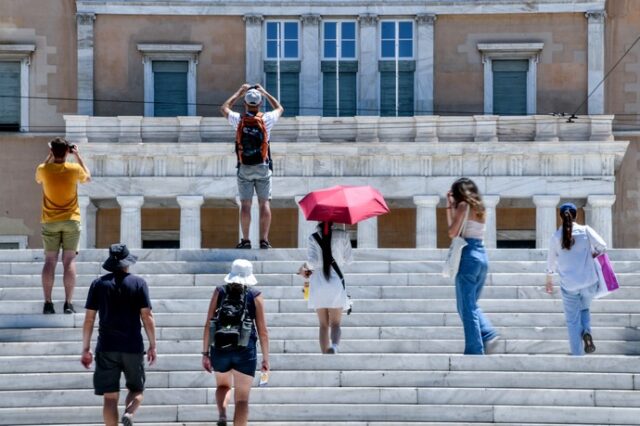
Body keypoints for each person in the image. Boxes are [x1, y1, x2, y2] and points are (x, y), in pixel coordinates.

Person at [80, 244, 157, 426]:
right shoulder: (138, 283)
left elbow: (89, 319)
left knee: (110, 398)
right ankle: (129, 413)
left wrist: (86, 348)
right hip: (132, 346)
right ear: (127, 263)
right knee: (137, 390)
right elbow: (147, 316)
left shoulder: (98, 284)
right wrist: (153, 344)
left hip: (106, 346)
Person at [202, 259, 269, 426]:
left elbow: (209, 322)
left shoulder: (219, 291)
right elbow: (263, 330)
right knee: (242, 399)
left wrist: (205, 353)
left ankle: (223, 415)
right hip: (245, 349)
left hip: (220, 346)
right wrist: (266, 358)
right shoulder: (255, 295)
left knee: (223, 386)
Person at [220, 83, 284, 250]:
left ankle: (246, 240)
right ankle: (264, 240)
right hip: (263, 165)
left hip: (244, 166)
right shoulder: (267, 119)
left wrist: (239, 92)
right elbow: (279, 108)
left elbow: (224, 108)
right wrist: (265, 92)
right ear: (260, 103)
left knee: (246, 205)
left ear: (246, 103)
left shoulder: (239, 120)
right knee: (264, 203)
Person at [35, 137, 91, 314]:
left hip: (50, 221)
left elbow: (38, 178)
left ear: (52, 151)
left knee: (50, 261)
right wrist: (78, 156)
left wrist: (49, 156)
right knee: (69, 261)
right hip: (71, 220)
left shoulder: (43, 169)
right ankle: (68, 303)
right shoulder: (74, 169)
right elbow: (88, 177)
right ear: (67, 151)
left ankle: (48, 303)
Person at [446, 178, 499, 355]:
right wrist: (450, 208)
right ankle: (487, 332)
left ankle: (475, 349)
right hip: (481, 255)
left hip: (468, 255)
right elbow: (458, 229)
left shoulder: (462, 206)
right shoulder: (480, 208)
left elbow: (453, 232)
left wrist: (452, 207)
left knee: (466, 306)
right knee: (469, 304)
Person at [545, 202, 606, 356]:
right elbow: (602, 245)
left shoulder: (555, 237)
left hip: (569, 285)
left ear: (560, 218)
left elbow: (550, 263)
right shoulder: (585, 230)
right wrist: (593, 254)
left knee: (572, 321)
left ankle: (577, 355)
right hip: (589, 281)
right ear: (576, 215)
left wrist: (549, 280)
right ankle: (586, 332)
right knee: (584, 308)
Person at [301, 222, 353, 354]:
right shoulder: (343, 235)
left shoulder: (313, 237)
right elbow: (349, 260)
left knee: (323, 324)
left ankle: (324, 353)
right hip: (335, 281)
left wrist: (303, 267)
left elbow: (311, 263)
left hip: (318, 282)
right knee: (336, 323)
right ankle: (334, 346)